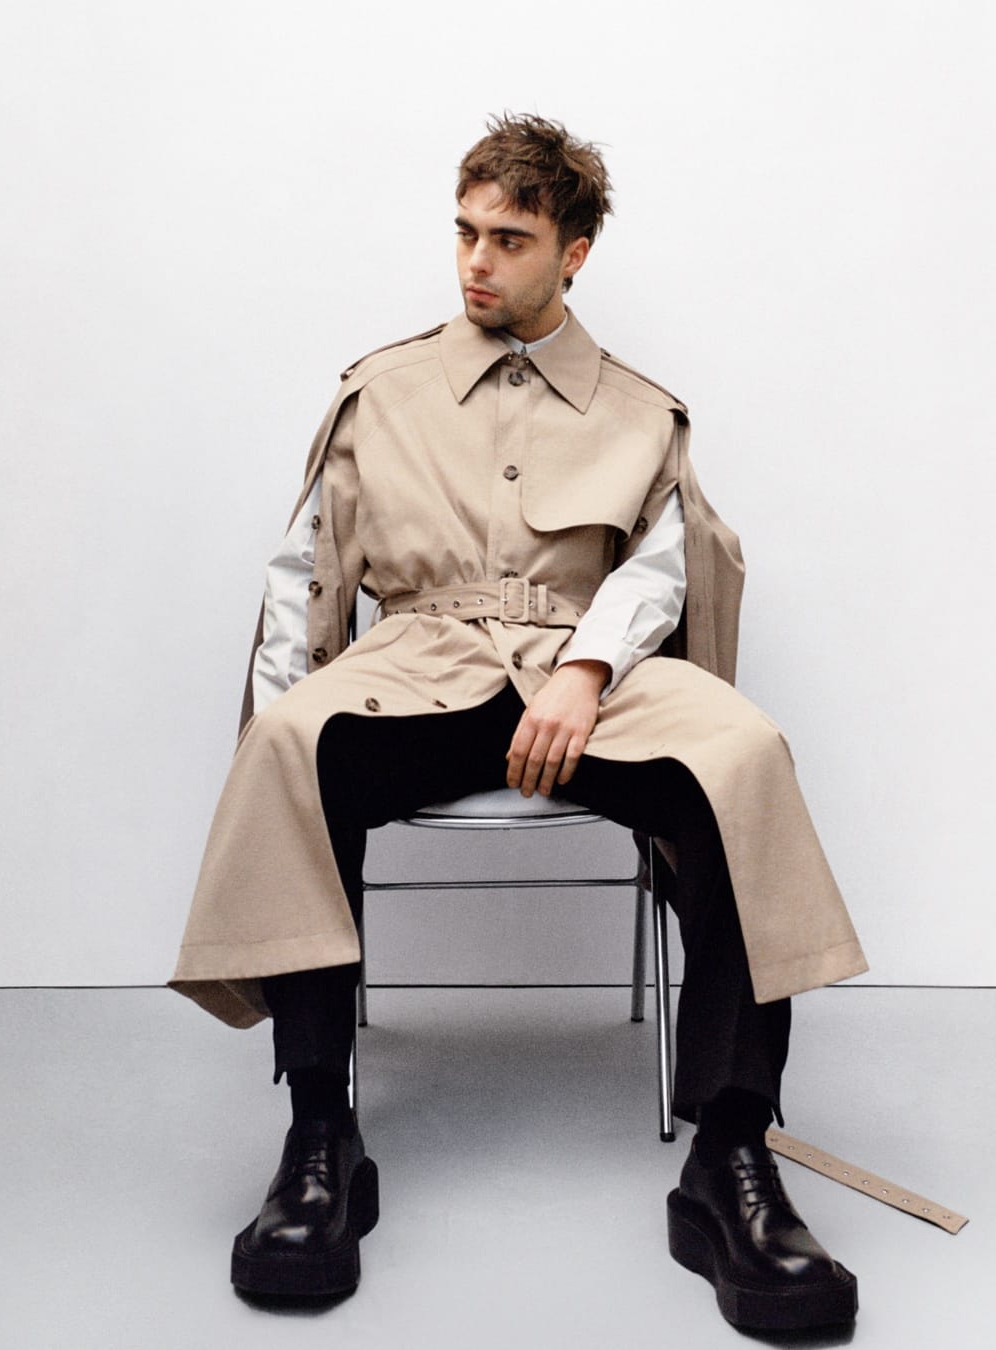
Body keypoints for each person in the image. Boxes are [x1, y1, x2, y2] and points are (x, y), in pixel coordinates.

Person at [170, 113, 868, 1330]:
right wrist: (271, 742)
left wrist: (587, 667)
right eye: (465, 233)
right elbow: (304, 572)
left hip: (581, 672)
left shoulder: (641, 412)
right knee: (293, 749)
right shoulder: (380, 393)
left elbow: (663, 565)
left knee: (741, 759)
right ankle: (320, 1140)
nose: (476, 261)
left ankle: (732, 1158)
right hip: (418, 662)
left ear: (574, 252)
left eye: (510, 239)